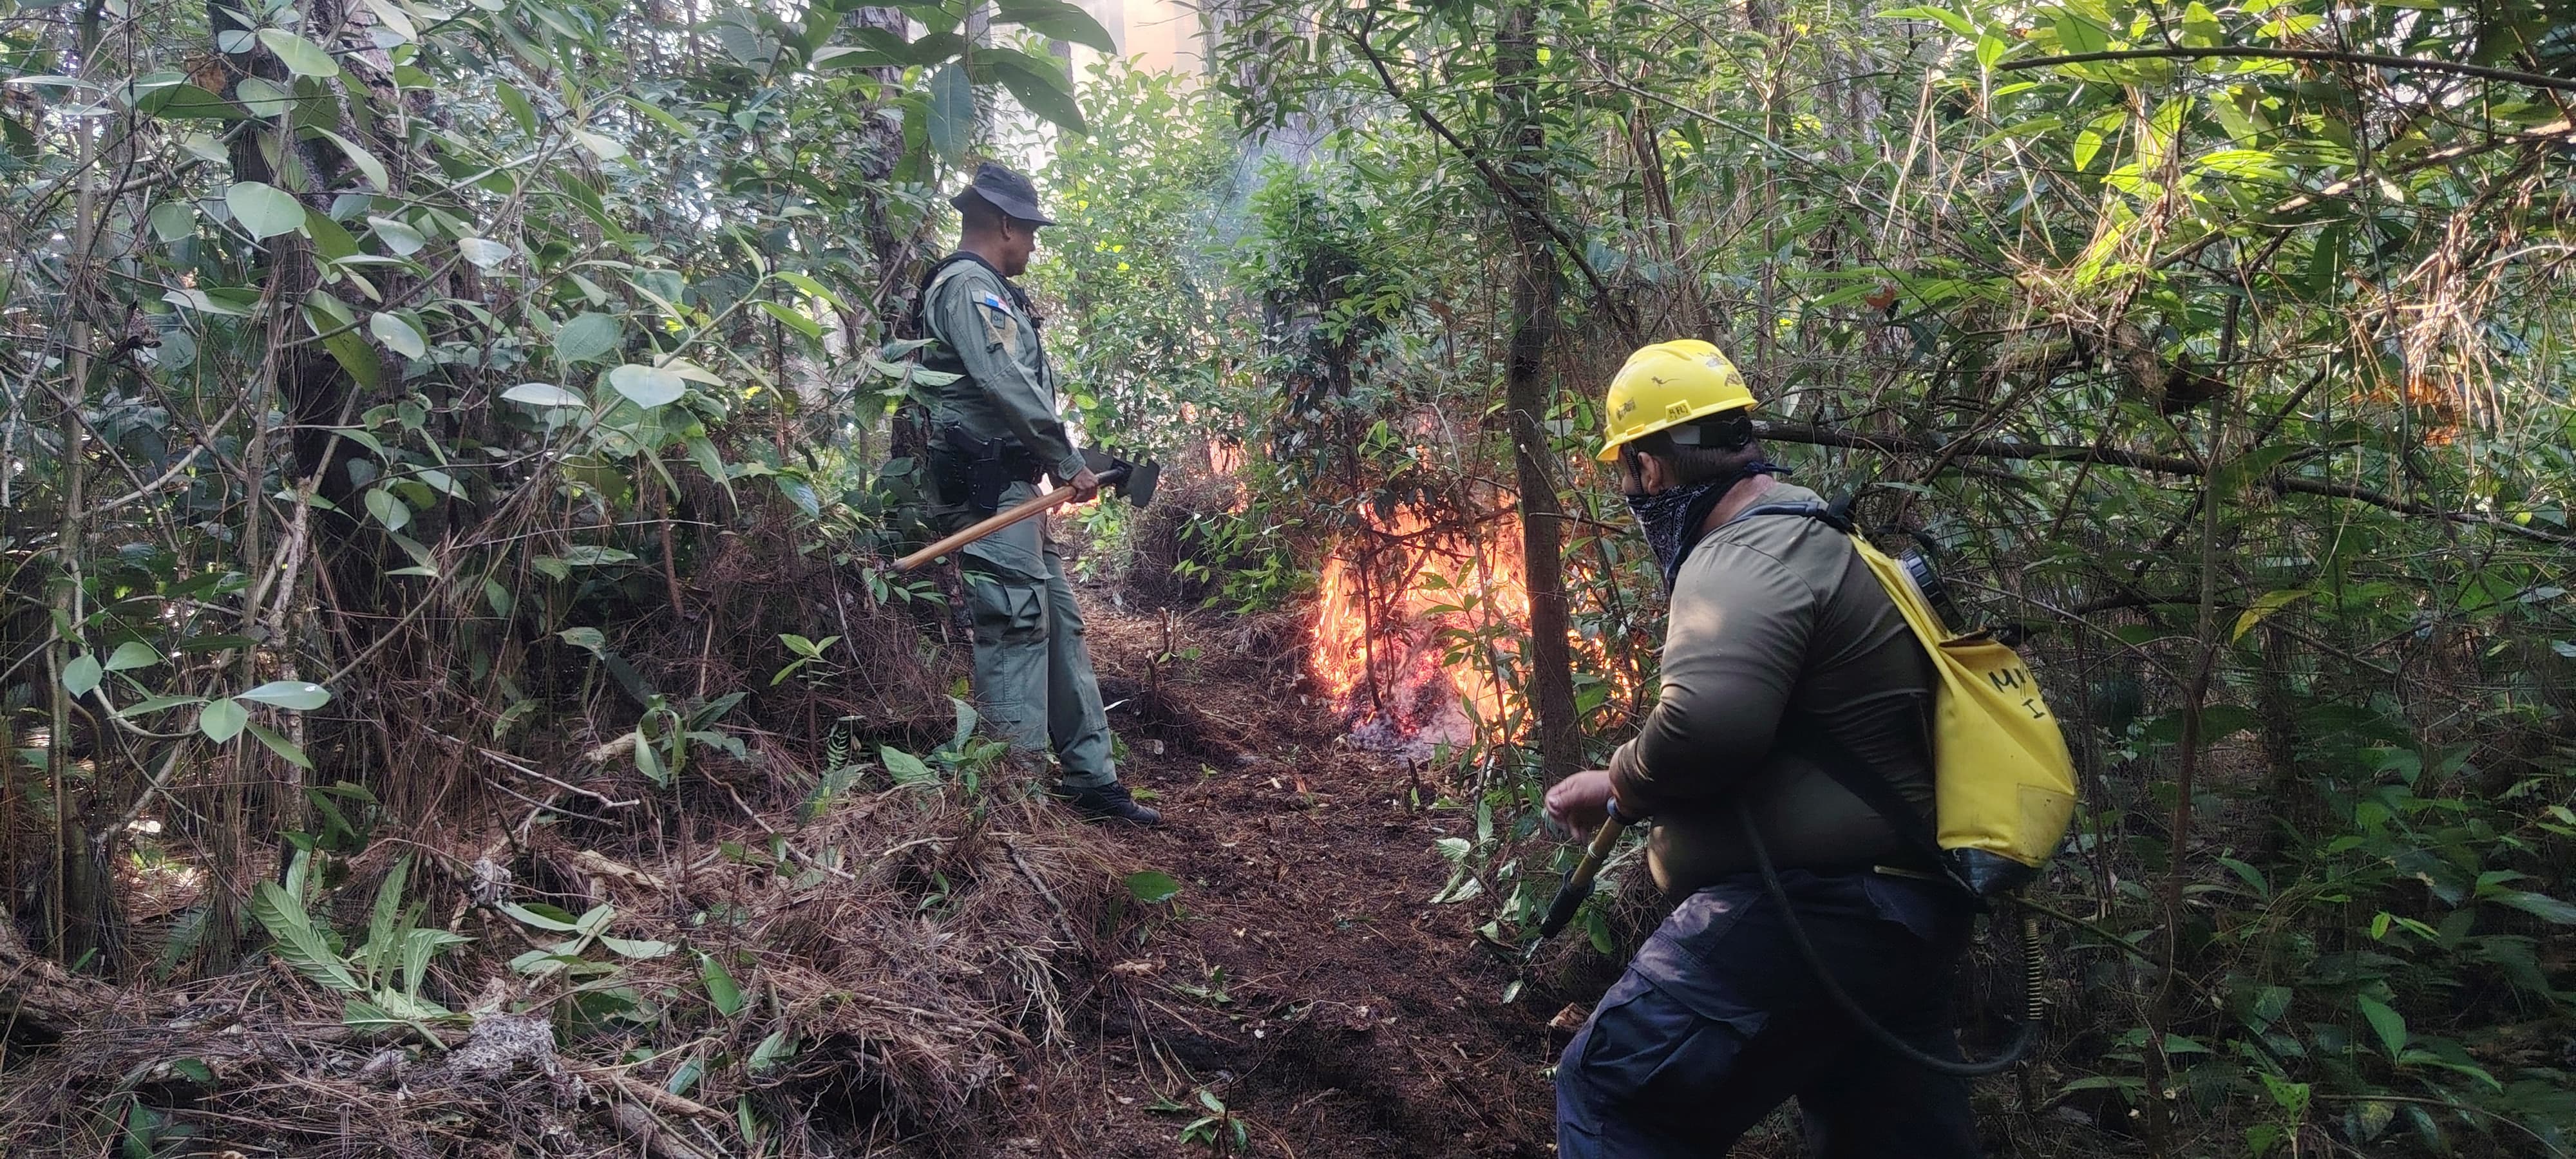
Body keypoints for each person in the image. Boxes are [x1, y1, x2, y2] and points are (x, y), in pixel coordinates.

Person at [1545, 339, 1979, 1156]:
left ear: (1651, 470)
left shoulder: (1739, 553)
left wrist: (1619, 785)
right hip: (1904, 912)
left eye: (1629, 474)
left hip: (1815, 910)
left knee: (1611, 1091)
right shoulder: (1821, 530)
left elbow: (1706, 729)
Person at [911, 162, 1157, 825]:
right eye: (1032, 232)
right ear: (1004, 224)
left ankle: (1089, 781)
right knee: (1016, 630)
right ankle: (1014, 807)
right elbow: (1001, 382)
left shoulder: (993, 290)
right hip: (990, 498)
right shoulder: (966, 287)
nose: (1034, 245)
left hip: (1017, 491)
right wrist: (1066, 460)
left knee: (1060, 631)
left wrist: (1054, 467)